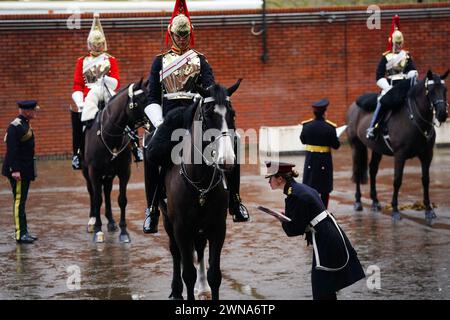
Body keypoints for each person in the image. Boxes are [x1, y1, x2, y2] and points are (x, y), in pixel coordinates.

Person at [142, 0, 249, 234]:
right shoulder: (160, 61)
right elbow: (152, 97)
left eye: (185, 35)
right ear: (171, 34)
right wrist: (159, 122)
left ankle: (235, 201)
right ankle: (152, 208)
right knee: (150, 149)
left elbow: (210, 90)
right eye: (178, 36)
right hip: (169, 118)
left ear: (190, 35)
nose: (181, 40)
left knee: (235, 143)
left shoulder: (200, 59)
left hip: (196, 115)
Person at [265, 161, 365, 300]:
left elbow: (294, 229)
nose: (268, 181)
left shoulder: (294, 195)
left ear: (280, 178)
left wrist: (281, 219)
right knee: (326, 289)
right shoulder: (299, 188)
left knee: (321, 290)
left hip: (326, 239)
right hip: (329, 234)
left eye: (270, 178)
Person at [71, 14, 142, 169]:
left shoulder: (110, 60)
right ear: (89, 44)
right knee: (77, 119)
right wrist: (80, 102)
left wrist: (105, 79)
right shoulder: (82, 62)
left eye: (99, 44)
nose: (97, 47)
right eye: (94, 44)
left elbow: (115, 81)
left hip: (107, 91)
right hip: (88, 96)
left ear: (103, 43)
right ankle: (77, 153)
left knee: (125, 111)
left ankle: (135, 146)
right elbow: (77, 85)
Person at [366, 15, 418, 140]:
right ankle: (372, 127)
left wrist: (412, 73)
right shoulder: (386, 57)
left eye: (400, 43)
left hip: (404, 86)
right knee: (381, 101)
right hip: (390, 86)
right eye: (396, 43)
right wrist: (387, 87)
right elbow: (379, 76)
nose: (399, 46)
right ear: (392, 42)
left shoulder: (406, 56)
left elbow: (412, 69)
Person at [2, 100, 40, 244]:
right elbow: (12, 150)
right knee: (19, 202)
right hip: (18, 171)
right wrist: (15, 170)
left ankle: (23, 231)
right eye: (34, 110)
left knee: (22, 201)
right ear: (26, 111)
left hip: (24, 169)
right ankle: (20, 233)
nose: (35, 112)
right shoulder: (15, 126)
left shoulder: (24, 123)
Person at [300, 98, 340, 208]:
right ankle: (323, 211)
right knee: (324, 189)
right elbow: (336, 145)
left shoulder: (306, 125)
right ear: (324, 113)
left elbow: (303, 140)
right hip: (324, 161)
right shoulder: (330, 127)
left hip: (310, 160)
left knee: (309, 186)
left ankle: (311, 211)